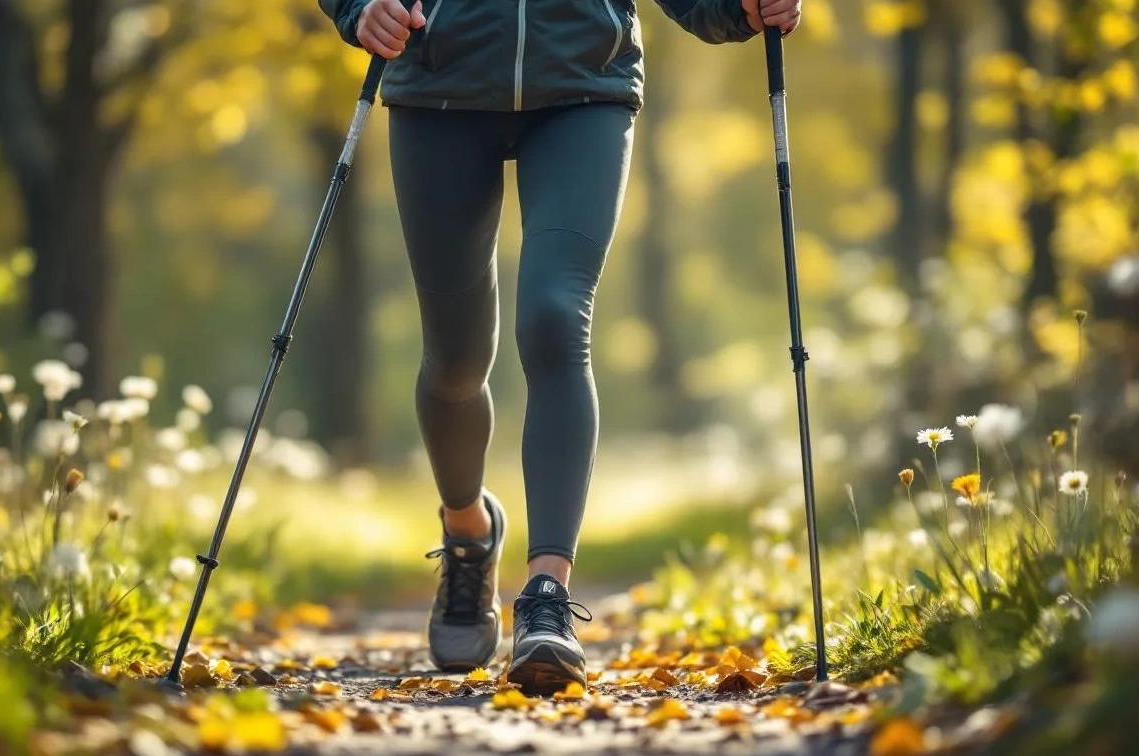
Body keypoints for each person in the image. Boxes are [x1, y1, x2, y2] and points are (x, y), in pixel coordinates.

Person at [317, 0, 801, 694]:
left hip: (584, 84)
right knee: (455, 359)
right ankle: (468, 532)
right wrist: (360, 8)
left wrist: (741, 7)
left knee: (553, 318)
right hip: (439, 83)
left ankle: (547, 598)